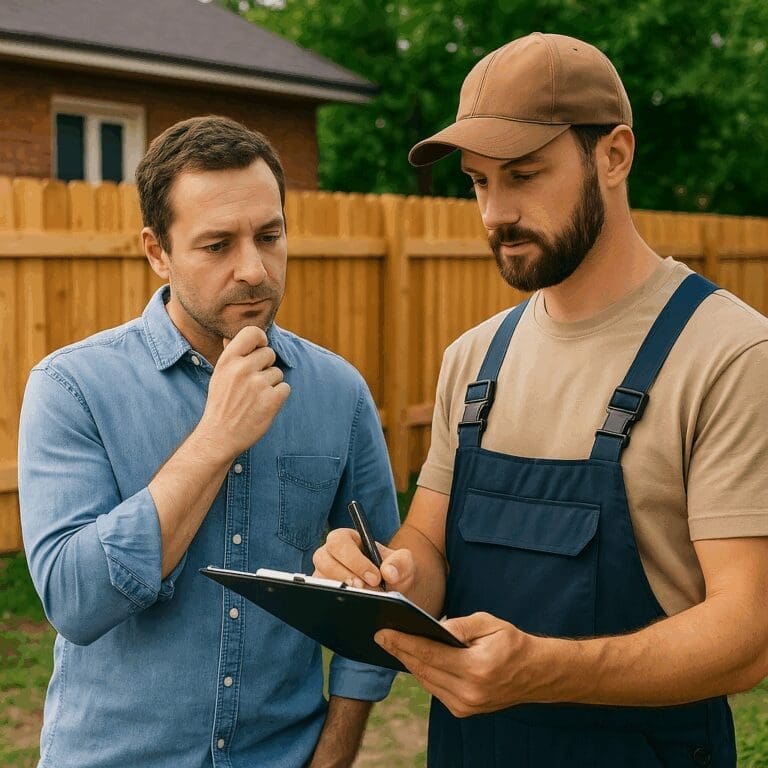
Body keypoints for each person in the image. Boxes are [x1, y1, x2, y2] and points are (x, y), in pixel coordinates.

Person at [313, 32, 768, 767]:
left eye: (523, 174)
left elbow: (748, 635)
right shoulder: (474, 360)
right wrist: (385, 578)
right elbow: (427, 548)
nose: (495, 213)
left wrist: (542, 670)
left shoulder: (729, 355)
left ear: (613, 155)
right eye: (479, 182)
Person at [18, 116, 400, 768]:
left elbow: (381, 607)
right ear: (156, 250)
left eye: (270, 236)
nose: (254, 270)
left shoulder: (340, 393)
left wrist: (334, 756)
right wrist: (215, 439)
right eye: (217, 244)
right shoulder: (73, 388)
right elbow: (75, 604)